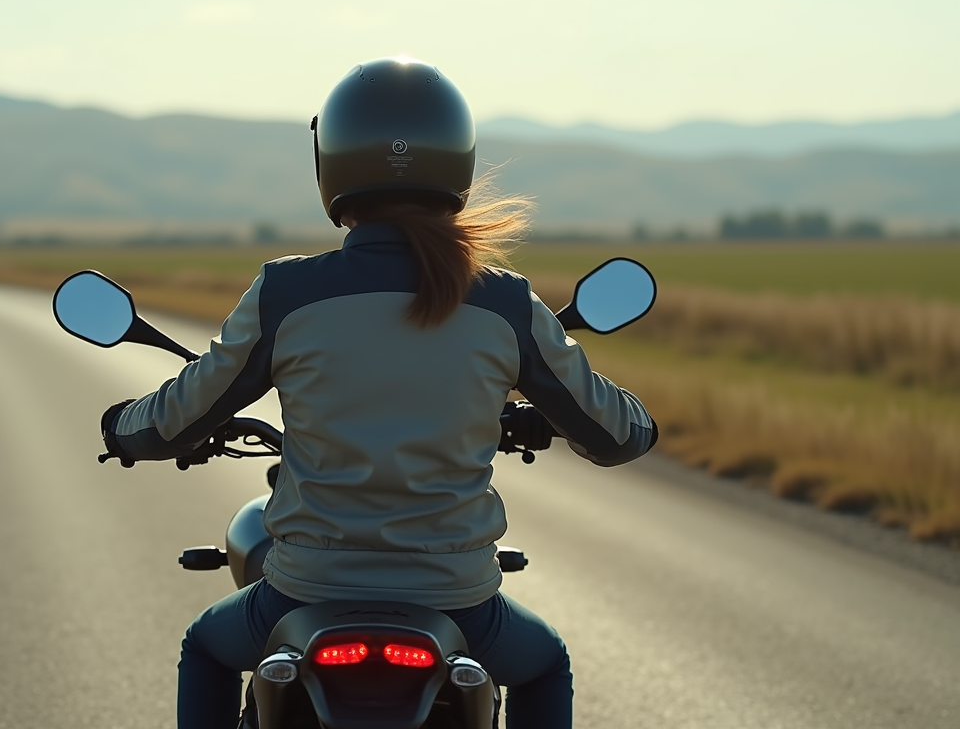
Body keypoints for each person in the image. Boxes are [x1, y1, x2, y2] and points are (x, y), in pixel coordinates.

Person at [101, 57, 657, 729]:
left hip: (305, 590)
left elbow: (178, 415)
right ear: (458, 161)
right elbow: (615, 435)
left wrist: (124, 427)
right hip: (459, 603)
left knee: (208, 648)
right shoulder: (504, 303)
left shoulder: (286, 293)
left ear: (331, 162)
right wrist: (637, 425)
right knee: (544, 663)